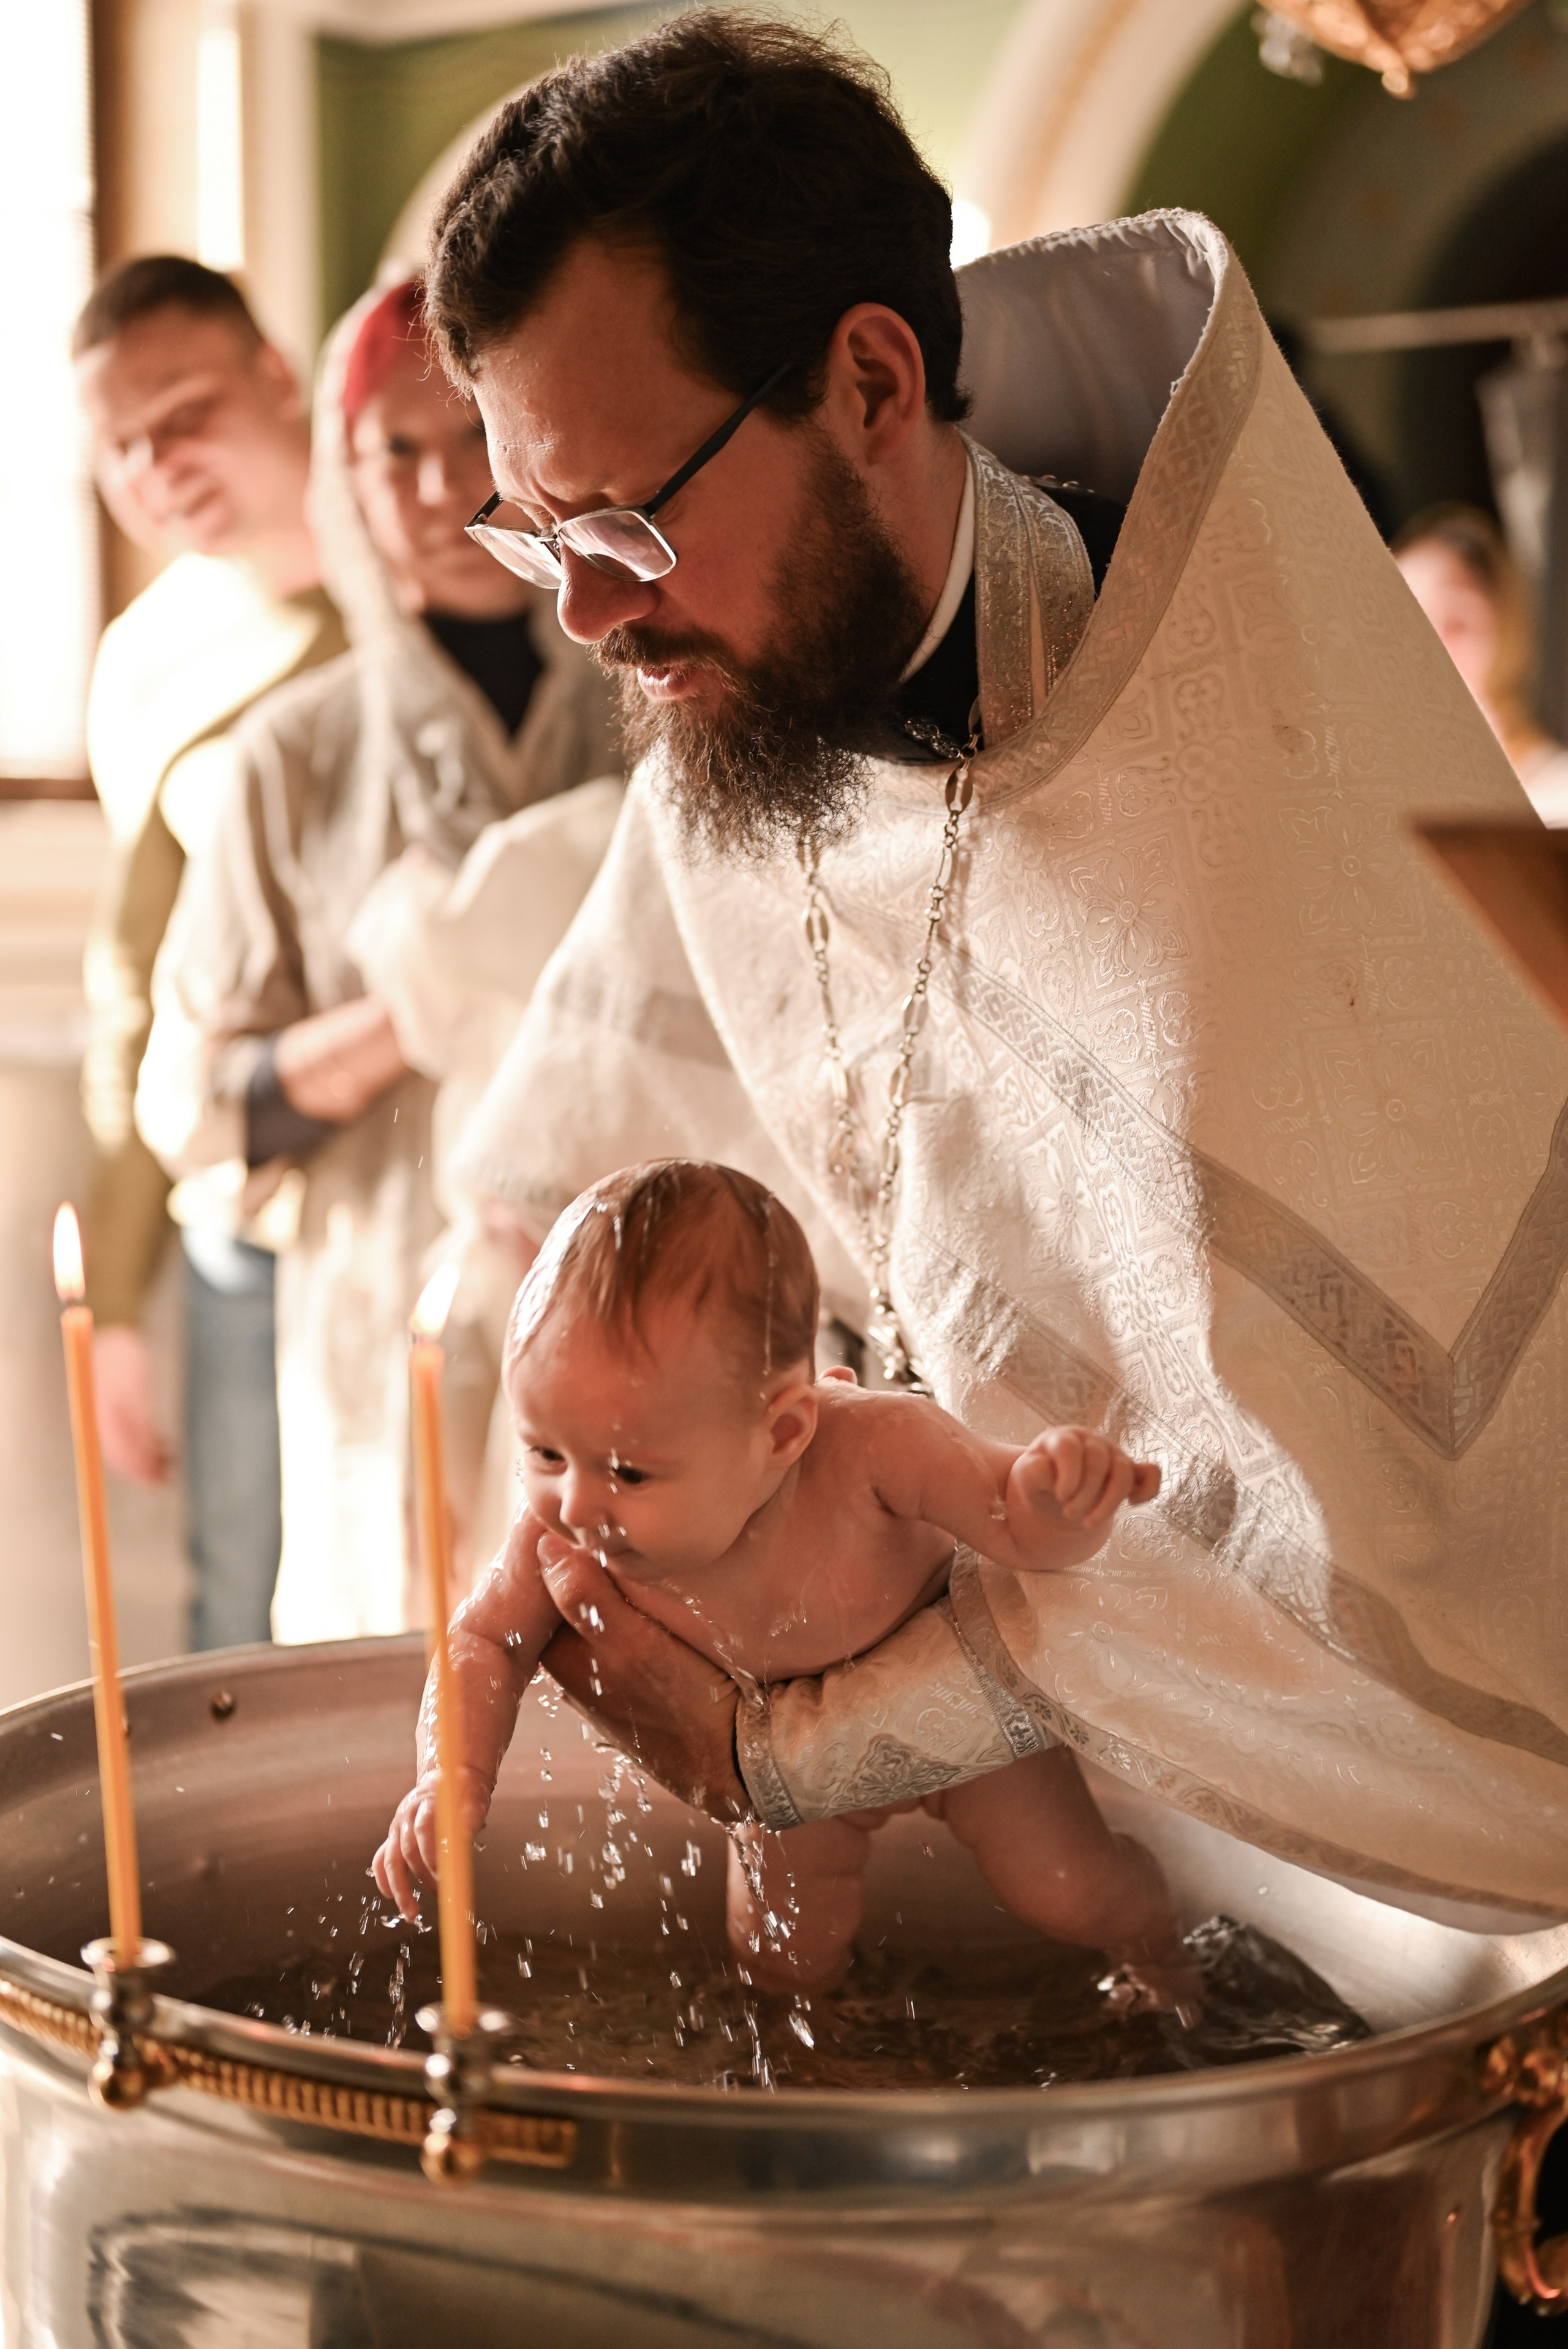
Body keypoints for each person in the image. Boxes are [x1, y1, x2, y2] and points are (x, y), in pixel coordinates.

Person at [427, 12, 1568, 1925]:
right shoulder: (734, 711)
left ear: (871, 377)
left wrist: (813, 1744)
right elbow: (560, 1208)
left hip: (1334, 1888)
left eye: (623, 521)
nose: (596, 621)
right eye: (535, 543)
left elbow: (1354, 1545)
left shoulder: (1235, 781)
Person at [372, 1160, 1175, 1994]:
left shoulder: (877, 1445)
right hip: (782, 1775)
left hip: (959, 1721)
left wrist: (1059, 1499)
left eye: (628, 1470)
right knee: (777, 1958)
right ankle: (821, 2068)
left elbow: (1011, 1522)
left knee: (1072, 1892)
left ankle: (1164, 1955)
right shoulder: (563, 1535)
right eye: (543, 1451)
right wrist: (452, 1775)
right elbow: (481, 1640)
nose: (574, 1501)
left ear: (785, 1429)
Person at [137, 280, 620, 1642]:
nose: (434, 488)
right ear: (344, 477)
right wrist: (421, 1006)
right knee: (411, 1736)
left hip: (645, 1337)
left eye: (470, 437)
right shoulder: (288, 761)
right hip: (383, 1332)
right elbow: (196, 1102)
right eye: (389, 453)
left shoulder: (665, 701)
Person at [73, 256, 347, 1650]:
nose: (155, 463)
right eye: (120, 443)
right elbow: (139, 979)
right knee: (243, 1617)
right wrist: (117, 1300)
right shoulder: (144, 658)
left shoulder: (424, 560)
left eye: (182, 412)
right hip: (241, 1208)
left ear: (275, 376)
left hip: (432, 1180)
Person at [1393, 504, 1568, 824]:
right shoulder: (1376, 786)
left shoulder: (1558, 796)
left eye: (1458, 620)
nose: (1431, 645)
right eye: (1412, 621)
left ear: (1509, 625)